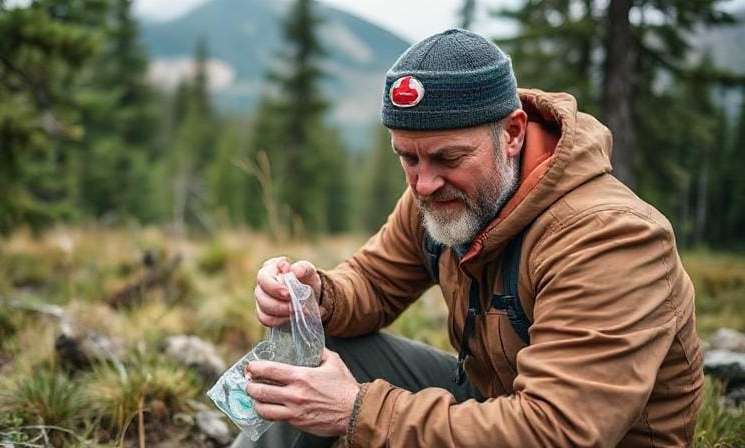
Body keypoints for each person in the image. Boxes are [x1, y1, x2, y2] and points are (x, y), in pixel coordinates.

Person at [233, 29, 703, 447]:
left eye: (447, 158)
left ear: (513, 133)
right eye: (408, 158)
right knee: (317, 357)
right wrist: (319, 296)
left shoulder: (610, 238)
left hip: (562, 432)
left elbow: (560, 430)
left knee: (345, 400)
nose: (423, 184)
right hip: (495, 400)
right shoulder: (444, 195)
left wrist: (357, 411)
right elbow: (372, 283)